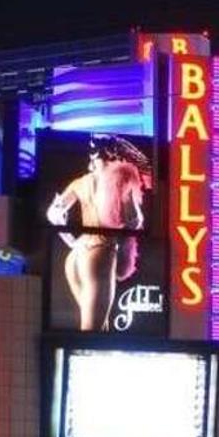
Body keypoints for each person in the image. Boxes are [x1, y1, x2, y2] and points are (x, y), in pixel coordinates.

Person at [45, 134, 150, 331]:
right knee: (93, 331)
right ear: (114, 153)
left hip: (76, 257)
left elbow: (53, 214)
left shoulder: (79, 183)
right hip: (100, 253)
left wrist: (72, 242)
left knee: (100, 328)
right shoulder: (122, 177)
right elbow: (135, 219)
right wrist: (123, 241)